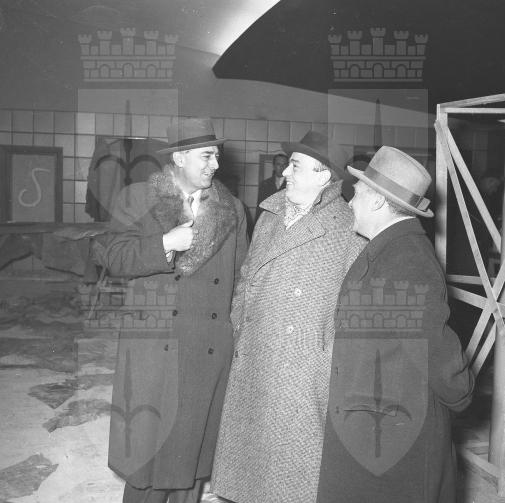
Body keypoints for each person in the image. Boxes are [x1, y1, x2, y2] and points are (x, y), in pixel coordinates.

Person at [97, 117, 248, 503]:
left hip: (206, 349)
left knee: (190, 462)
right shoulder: (137, 199)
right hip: (154, 346)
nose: (215, 165)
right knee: (147, 458)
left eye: (217, 156)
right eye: (206, 156)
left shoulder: (232, 209)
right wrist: (165, 243)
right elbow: (113, 257)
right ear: (179, 157)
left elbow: (240, 278)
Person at [211, 131, 365, 503]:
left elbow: (354, 311)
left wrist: (326, 361)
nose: (284, 173)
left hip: (303, 368)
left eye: (295, 166)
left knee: (291, 474)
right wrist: (240, 327)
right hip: (256, 354)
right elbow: (247, 277)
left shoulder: (350, 227)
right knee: (249, 462)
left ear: (324, 175)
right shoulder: (271, 213)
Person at [316, 146, 474, 503]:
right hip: (371, 428)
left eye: (357, 193)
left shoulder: (408, 260)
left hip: (395, 440)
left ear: (377, 202)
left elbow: (438, 353)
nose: (350, 202)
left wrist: (461, 394)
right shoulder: (388, 248)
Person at [256, 153, 289, 218]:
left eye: (284, 164)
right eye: (278, 164)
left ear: (287, 166)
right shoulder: (265, 184)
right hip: (268, 220)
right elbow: (259, 208)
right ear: (274, 166)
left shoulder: (292, 184)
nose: (281, 167)